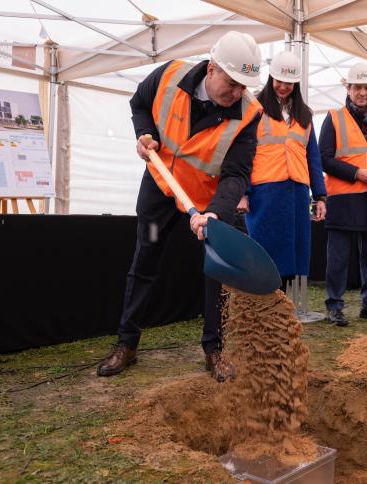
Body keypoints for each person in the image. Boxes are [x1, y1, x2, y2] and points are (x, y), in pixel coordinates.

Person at [96, 31, 263, 381]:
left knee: (216, 273)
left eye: (242, 87)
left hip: (207, 201)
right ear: (212, 69)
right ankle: (127, 343)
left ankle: (214, 350)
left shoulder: (249, 114)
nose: (236, 94)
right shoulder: (168, 76)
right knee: (145, 261)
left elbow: (236, 174)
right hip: (160, 189)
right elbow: (138, 103)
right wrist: (144, 134)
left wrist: (215, 213)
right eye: (231, 84)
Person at [238, 51, 326, 292]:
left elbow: (313, 157)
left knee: (294, 255)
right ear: (270, 78)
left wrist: (320, 196)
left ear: (295, 83)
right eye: (279, 81)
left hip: (297, 193)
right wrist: (243, 193)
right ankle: (260, 305)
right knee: (265, 252)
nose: (283, 87)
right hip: (264, 193)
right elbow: (243, 154)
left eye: (289, 82)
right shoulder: (254, 108)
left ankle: (285, 310)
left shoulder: (305, 115)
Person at [319, 62, 367, 327]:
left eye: (366, 87)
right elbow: (324, 159)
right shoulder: (334, 117)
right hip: (343, 198)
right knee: (339, 257)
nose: (362, 92)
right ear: (348, 88)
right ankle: (335, 306)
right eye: (357, 87)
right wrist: (357, 173)